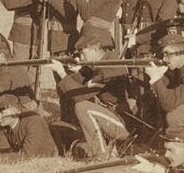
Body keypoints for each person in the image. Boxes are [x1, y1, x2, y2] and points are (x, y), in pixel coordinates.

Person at [51, 26, 131, 160]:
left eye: (83, 52)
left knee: (82, 107)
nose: (81, 57)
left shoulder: (111, 66)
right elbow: (68, 88)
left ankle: (101, 155)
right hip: (107, 118)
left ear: (94, 49)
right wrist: (67, 72)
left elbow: (79, 95)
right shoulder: (98, 63)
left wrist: (61, 72)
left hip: (122, 124)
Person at [0, 94, 57, 162]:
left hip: (46, 161)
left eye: (2, 113)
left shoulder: (34, 123)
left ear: (15, 111)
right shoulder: (6, 126)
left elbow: (27, 156)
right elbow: (2, 149)